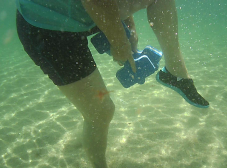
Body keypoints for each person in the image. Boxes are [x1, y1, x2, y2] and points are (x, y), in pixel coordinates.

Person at [16, 0, 209, 167]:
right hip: (47, 26)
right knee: (100, 113)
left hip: (85, 10)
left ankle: (175, 72)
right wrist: (119, 43)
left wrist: (127, 28)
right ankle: (99, 166)